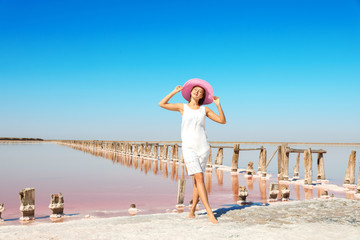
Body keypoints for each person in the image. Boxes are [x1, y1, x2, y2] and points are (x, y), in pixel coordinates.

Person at [158, 78, 226, 224]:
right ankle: (209, 212)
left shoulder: (204, 110)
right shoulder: (182, 107)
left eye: (200, 91)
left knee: (198, 180)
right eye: (195, 89)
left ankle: (192, 209)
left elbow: (222, 121)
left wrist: (218, 105)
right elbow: (161, 104)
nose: (197, 92)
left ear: (202, 96)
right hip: (188, 147)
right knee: (200, 178)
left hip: (203, 147)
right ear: (190, 92)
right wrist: (174, 91)